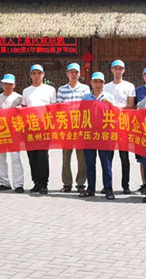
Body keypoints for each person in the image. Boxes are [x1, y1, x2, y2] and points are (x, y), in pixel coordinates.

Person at [81, 72, 116, 199]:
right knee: (90, 164)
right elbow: (81, 116)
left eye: (100, 82)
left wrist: (110, 104)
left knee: (106, 164)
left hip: (105, 135)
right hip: (90, 135)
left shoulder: (109, 97)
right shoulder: (85, 98)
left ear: (104, 83)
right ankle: (91, 188)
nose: (98, 84)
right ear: (91, 83)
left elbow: (117, 114)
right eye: (95, 82)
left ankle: (108, 189)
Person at [23, 64, 57, 194]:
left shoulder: (50, 90)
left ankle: (44, 183)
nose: (37, 76)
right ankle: (36, 182)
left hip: (44, 127)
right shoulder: (26, 91)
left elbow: (54, 109)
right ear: (30, 75)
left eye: (39, 73)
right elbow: (24, 108)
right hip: (30, 127)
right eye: (34, 73)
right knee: (32, 155)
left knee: (42, 156)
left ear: (43, 75)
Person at [103, 59, 136, 194]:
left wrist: (116, 108)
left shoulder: (129, 86)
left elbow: (131, 105)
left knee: (124, 157)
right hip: (109, 124)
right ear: (111, 70)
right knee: (108, 157)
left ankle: (125, 185)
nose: (118, 71)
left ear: (124, 70)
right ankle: (107, 185)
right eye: (115, 68)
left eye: (120, 68)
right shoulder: (106, 87)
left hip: (123, 125)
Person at [56, 63, 90, 193]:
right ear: (67, 74)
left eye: (76, 72)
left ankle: (81, 183)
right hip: (66, 128)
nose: (74, 74)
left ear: (80, 74)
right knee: (66, 157)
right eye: (71, 72)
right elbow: (58, 107)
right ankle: (67, 183)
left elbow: (87, 106)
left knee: (81, 158)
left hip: (80, 127)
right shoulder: (61, 89)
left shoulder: (85, 89)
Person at [0, 73, 25, 193]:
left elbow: (24, 114)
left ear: (14, 85)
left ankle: (18, 184)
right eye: (5, 83)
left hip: (14, 131)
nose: (8, 86)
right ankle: (4, 182)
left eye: (10, 84)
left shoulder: (19, 98)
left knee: (15, 158)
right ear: (2, 84)